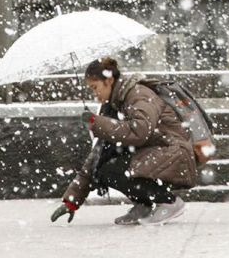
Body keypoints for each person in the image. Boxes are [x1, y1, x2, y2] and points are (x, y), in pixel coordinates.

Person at [50, 56, 196, 226]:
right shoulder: (114, 105)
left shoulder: (138, 94)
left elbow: (140, 131)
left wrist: (98, 123)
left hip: (172, 152)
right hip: (154, 153)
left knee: (112, 170)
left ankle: (169, 202)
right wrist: (72, 201)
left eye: (95, 87)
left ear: (109, 80)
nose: (94, 93)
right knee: (104, 166)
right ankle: (144, 205)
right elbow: (97, 155)